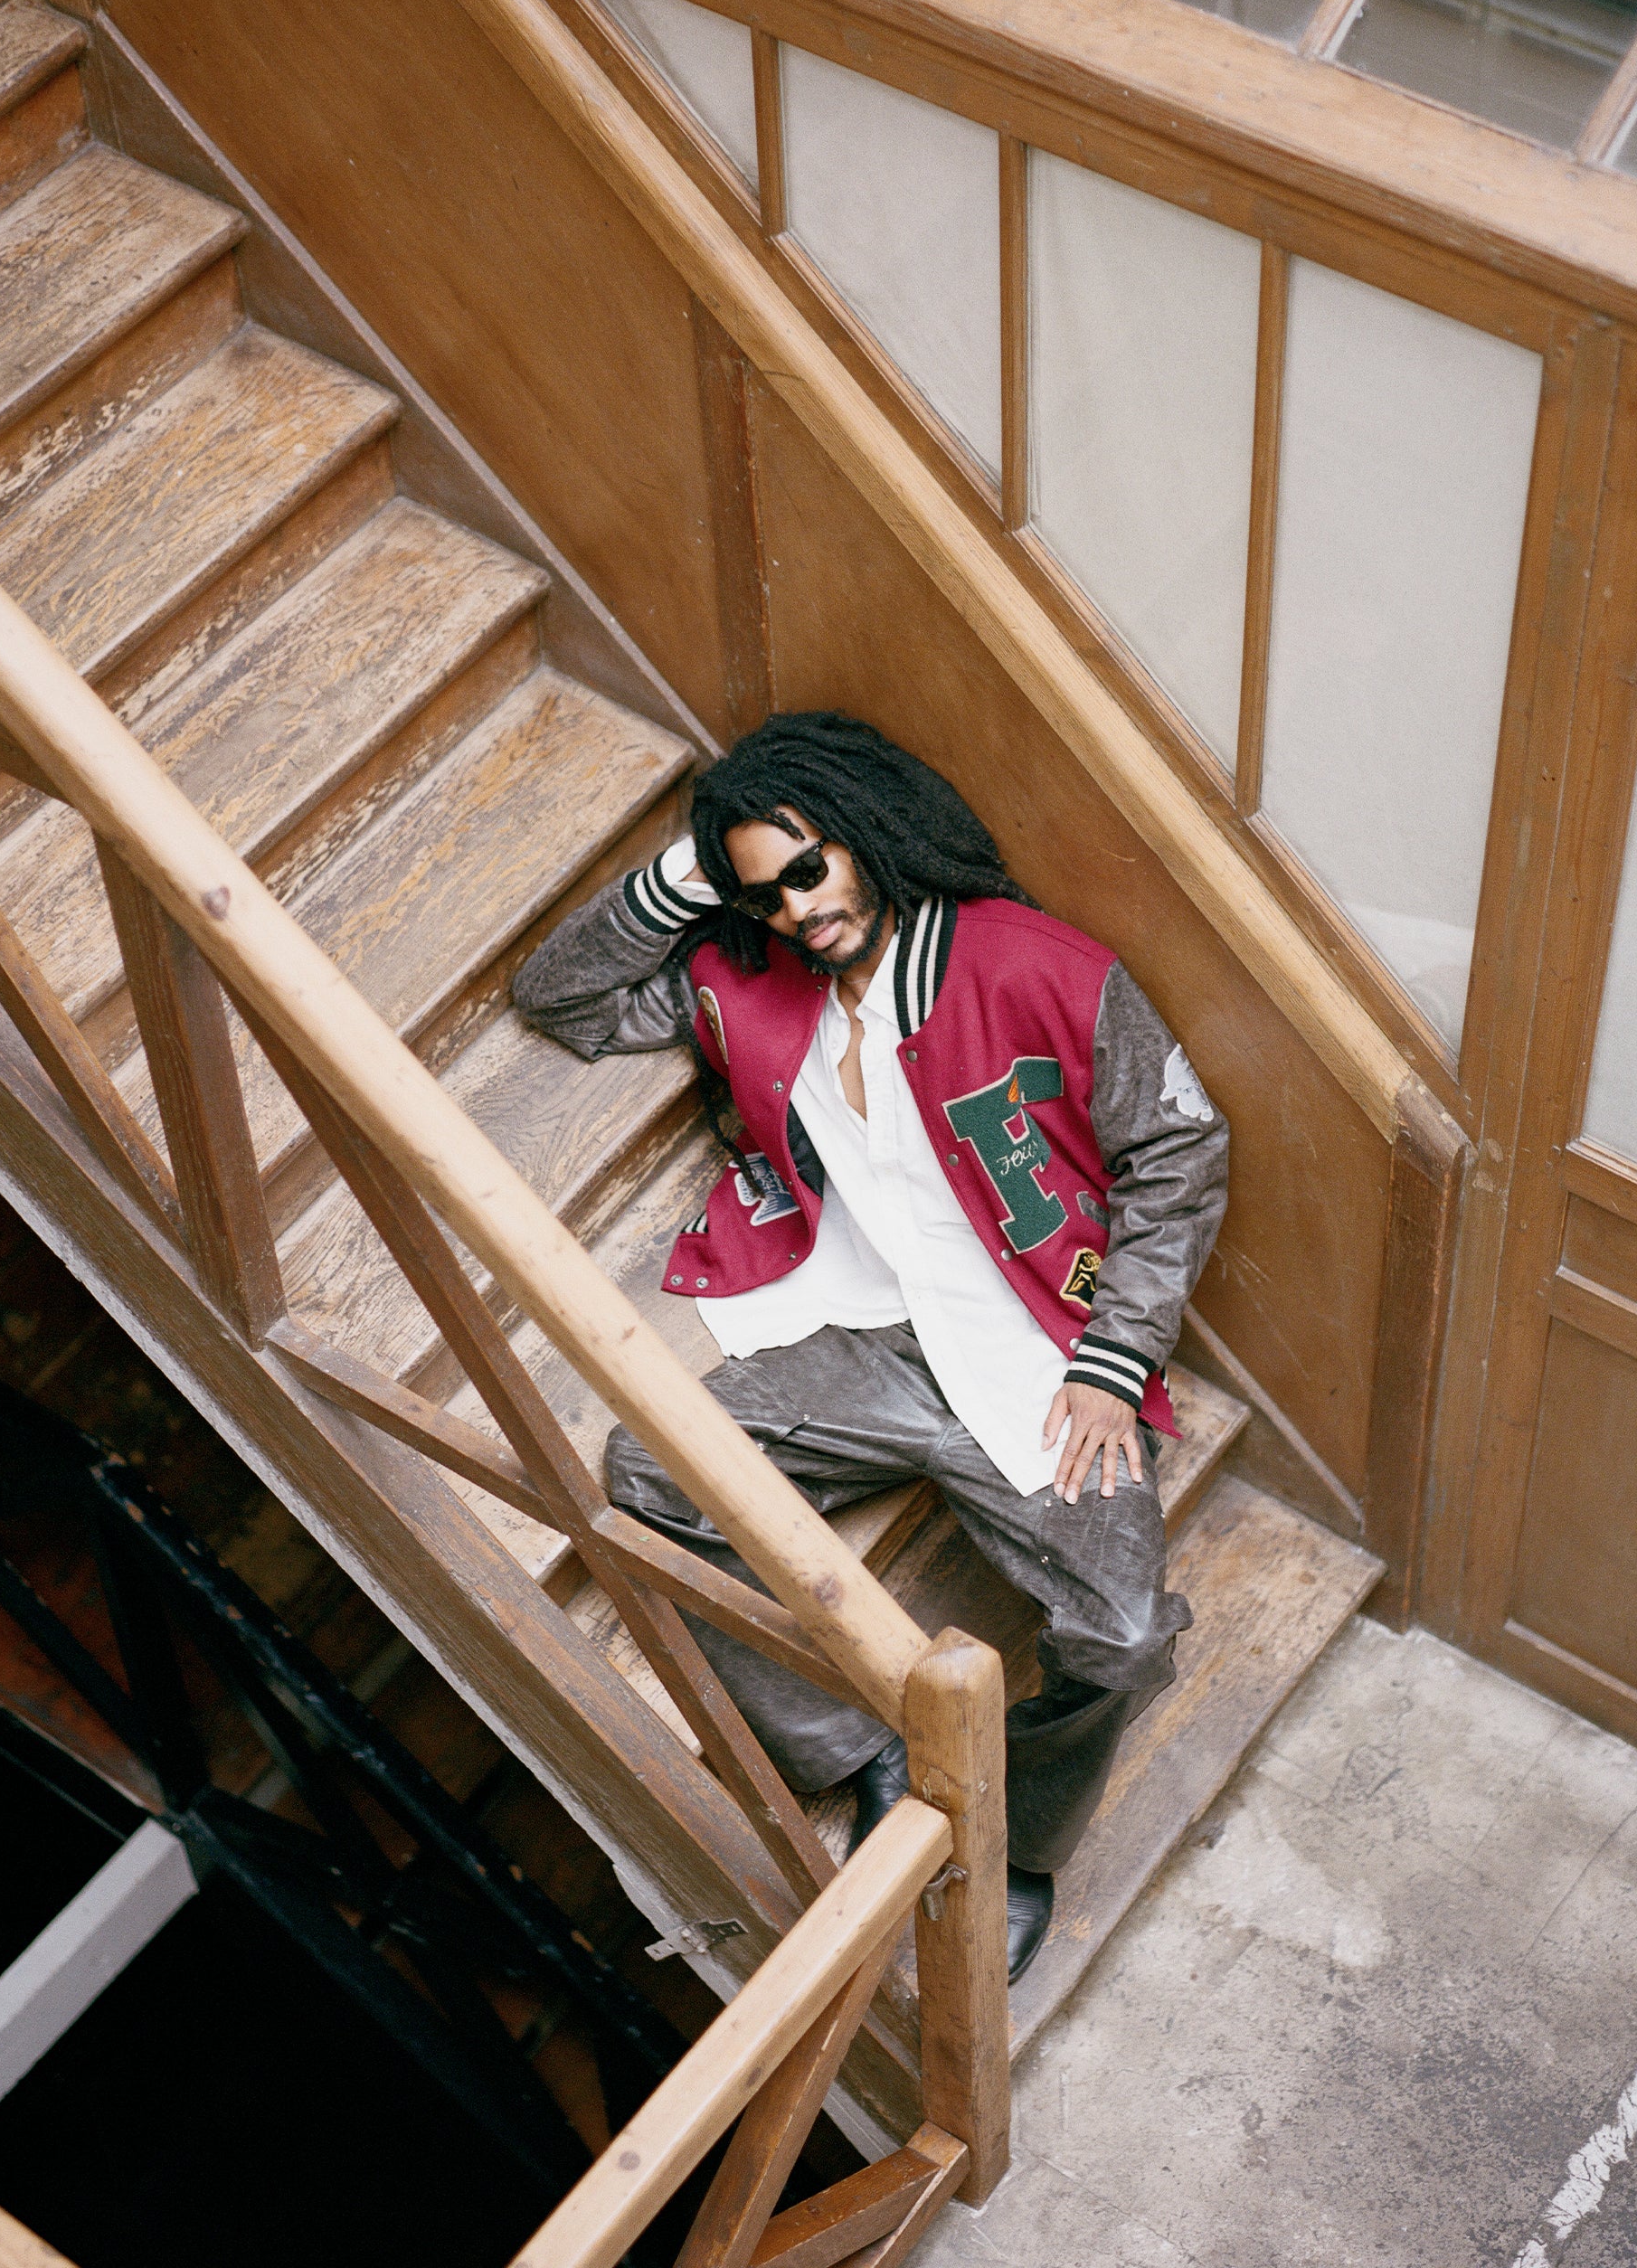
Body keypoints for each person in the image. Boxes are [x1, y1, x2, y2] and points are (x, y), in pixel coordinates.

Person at [513, 712, 1227, 1983]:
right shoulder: (749, 983)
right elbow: (559, 996)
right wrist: (695, 870)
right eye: (760, 893)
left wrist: (1117, 1356)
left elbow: (1180, 1149)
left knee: (1121, 1636)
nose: (792, 911)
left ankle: (1013, 1846)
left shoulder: (1036, 966)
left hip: (1041, 1353)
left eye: (808, 870)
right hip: (870, 1333)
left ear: (872, 837)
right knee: (651, 1474)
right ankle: (863, 1756)